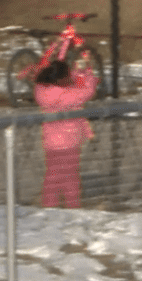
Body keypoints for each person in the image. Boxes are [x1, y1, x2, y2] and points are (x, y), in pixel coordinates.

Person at [33, 58, 98, 209]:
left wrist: (77, 72)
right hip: (70, 142)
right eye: (68, 76)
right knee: (70, 177)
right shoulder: (69, 96)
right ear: (62, 79)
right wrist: (87, 73)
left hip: (51, 143)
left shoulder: (43, 92)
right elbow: (88, 91)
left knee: (52, 175)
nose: (71, 78)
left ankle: (50, 205)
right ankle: (72, 205)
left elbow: (72, 84)